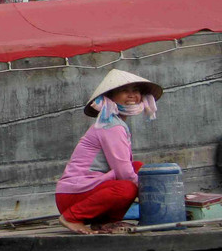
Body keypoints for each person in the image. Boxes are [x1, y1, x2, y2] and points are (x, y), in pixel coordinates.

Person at [56, 69, 162, 235]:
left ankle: (105, 221)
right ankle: (71, 217)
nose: (132, 95)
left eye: (135, 90)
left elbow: (127, 169)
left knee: (138, 167)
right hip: (73, 196)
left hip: (87, 191)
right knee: (127, 188)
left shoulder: (116, 123)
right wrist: (152, 193)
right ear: (111, 97)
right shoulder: (112, 126)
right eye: (124, 91)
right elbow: (124, 173)